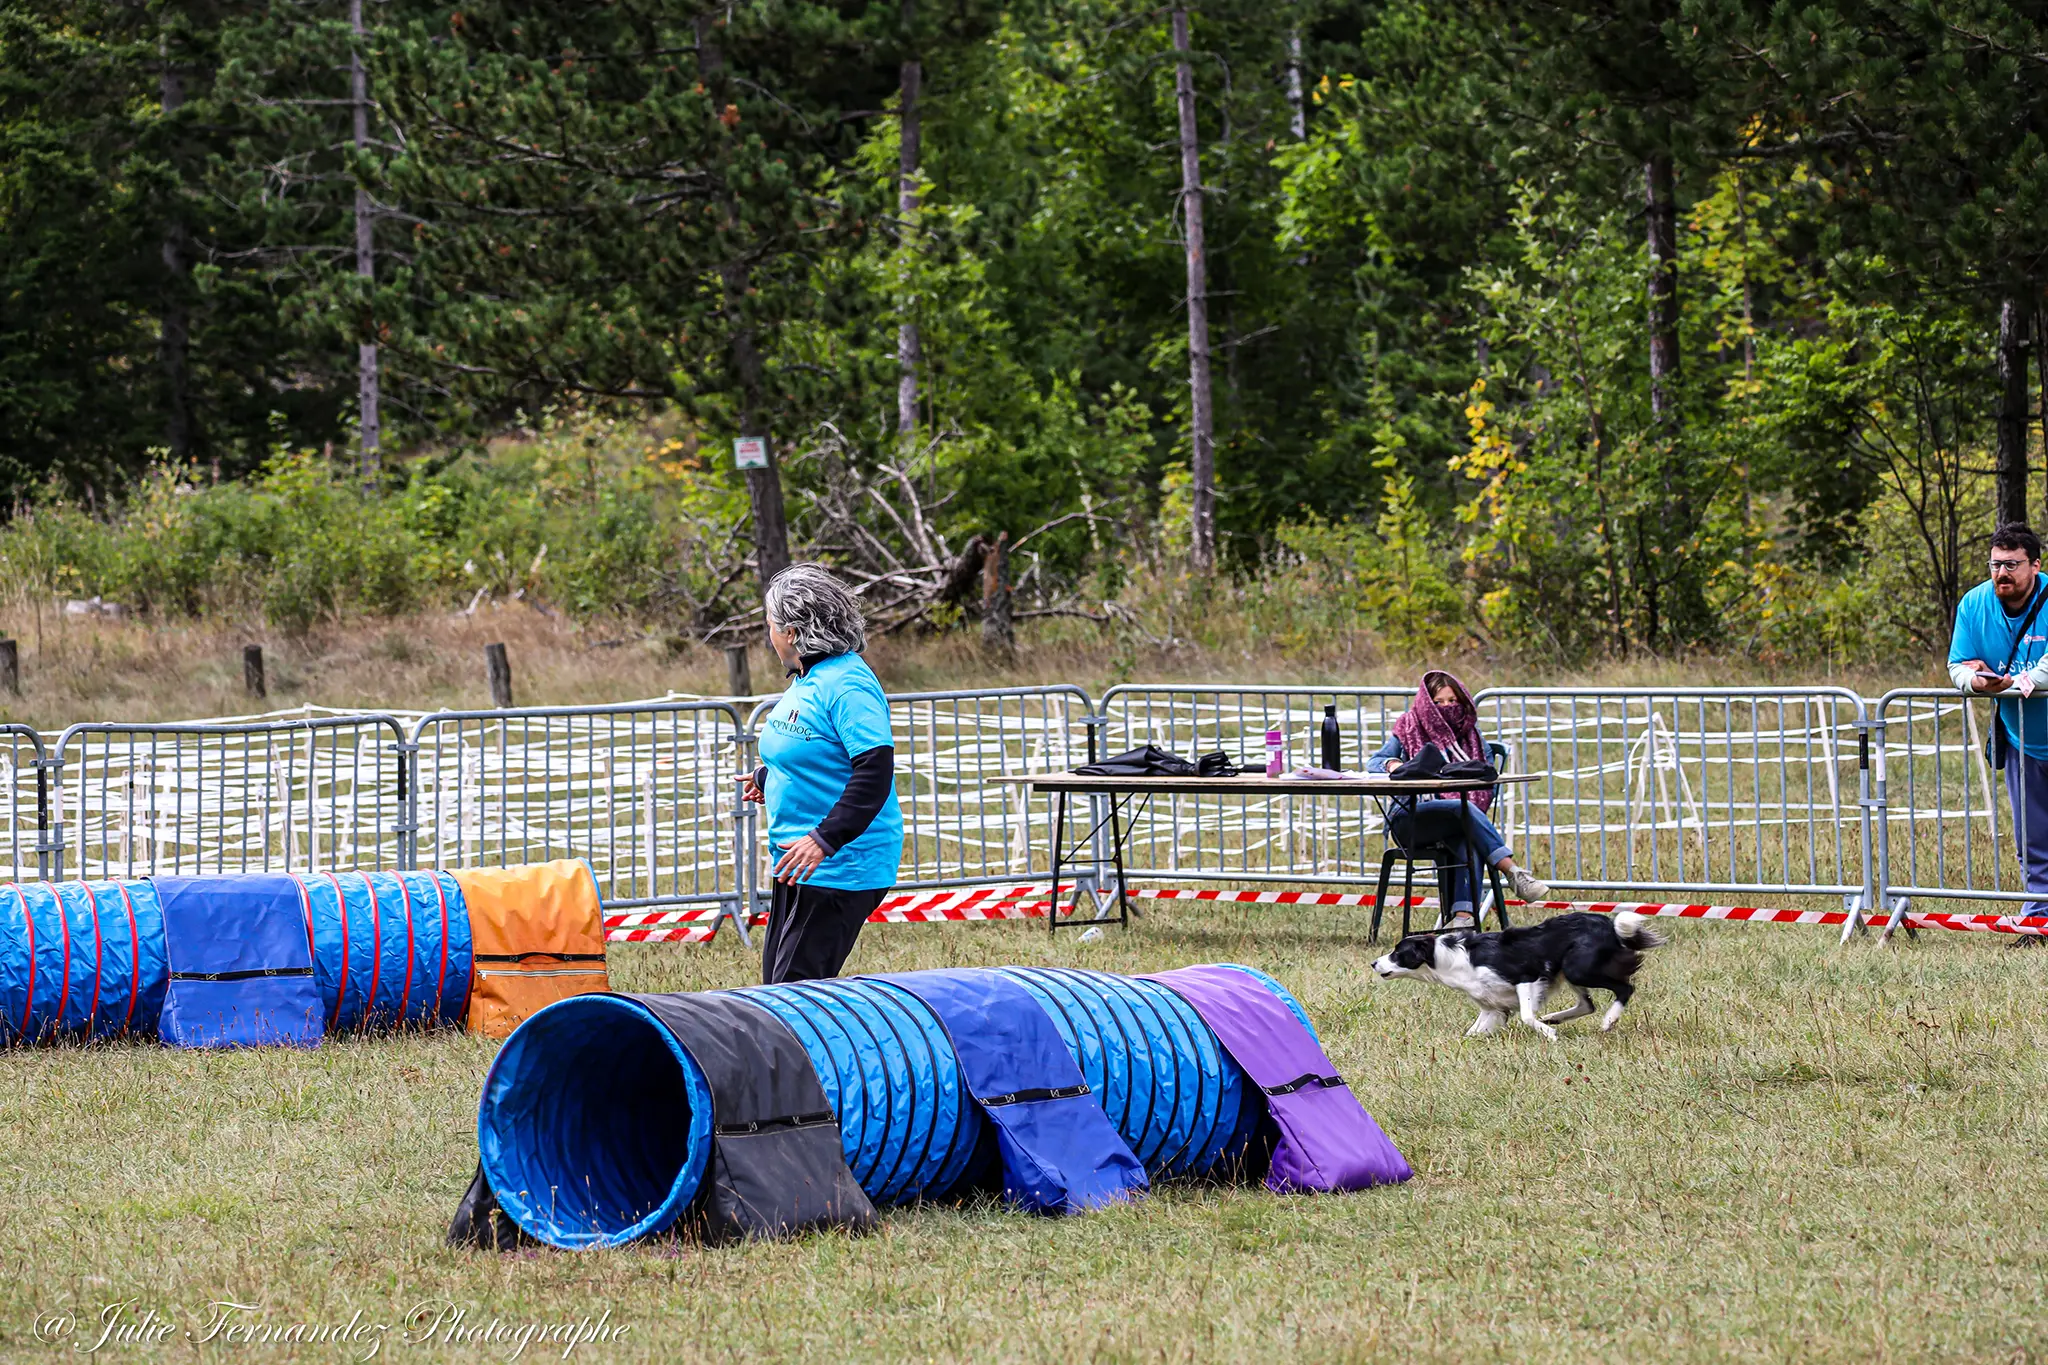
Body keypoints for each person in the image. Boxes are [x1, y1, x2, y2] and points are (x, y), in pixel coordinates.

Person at [740, 563, 904, 983]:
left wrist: (825, 838)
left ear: (791, 632)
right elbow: (814, 751)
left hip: (840, 865)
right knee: (777, 992)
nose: (768, 636)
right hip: (796, 861)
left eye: (771, 625)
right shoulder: (806, 677)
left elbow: (873, 771)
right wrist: (767, 778)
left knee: (792, 998)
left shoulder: (849, 684)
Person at [1366, 669, 1552, 929]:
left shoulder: (1470, 732)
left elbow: (1488, 776)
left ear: (1462, 700)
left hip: (1460, 821)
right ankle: (1510, 869)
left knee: (1466, 830)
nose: (1446, 708)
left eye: (1452, 701)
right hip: (1411, 820)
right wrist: (1393, 764)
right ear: (1426, 703)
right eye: (1438, 702)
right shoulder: (1408, 725)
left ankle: (1462, 920)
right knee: (1459, 808)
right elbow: (1373, 762)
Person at [1947, 522, 2048, 928]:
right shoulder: (1974, 605)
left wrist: (2016, 683)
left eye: (2011, 564)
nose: (2001, 573)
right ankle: (2039, 919)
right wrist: (1975, 682)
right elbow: (1958, 663)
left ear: (2035, 565)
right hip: (2023, 739)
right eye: (1995, 564)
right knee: (2032, 838)